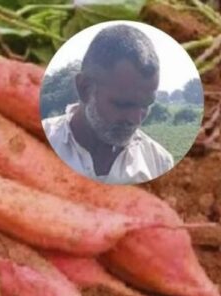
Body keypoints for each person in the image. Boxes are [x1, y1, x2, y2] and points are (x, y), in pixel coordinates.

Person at [42, 24, 174, 184]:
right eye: (123, 104)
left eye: (146, 105)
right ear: (84, 88)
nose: (135, 120)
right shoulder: (40, 139)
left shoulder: (159, 163)